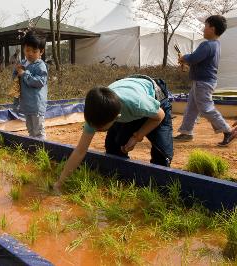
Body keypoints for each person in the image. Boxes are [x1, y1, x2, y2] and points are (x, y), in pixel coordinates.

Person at [53, 75, 173, 192]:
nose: (96, 130)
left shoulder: (138, 104)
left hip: (156, 101)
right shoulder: (95, 114)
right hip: (127, 95)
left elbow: (159, 116)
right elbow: (80, 150)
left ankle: (160, 191)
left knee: (161, 155)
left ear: (116, 118)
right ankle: (121, 182)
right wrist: (60, 182)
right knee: (113, 147)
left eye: (100, 129)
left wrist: (137, 136)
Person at [174, 15, 235, 146]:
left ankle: (227, 130)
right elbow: (199, 62)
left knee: (206, 108)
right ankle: (186, 131)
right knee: (191, 107)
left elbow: (194, 58)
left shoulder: (206, 45)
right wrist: (187, 61)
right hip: (203, 81)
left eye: (205, 26)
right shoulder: (215, 45)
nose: (203, 29)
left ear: (212, 29)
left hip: (203, 82)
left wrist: (184, 57)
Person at [13, 30, 48, 139]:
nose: (30, 53)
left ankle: (42, 150)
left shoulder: (40, 66)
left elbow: (40, 81)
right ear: (24, 49)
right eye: (27, 50)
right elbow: (15, 78)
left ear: (41, 52)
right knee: (30, 129)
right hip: (27, 104)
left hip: (37, 104)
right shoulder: (23, 63)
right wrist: (16, 72)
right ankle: (34, 148)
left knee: (38, 130)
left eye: (34, 51)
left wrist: (24, 74)